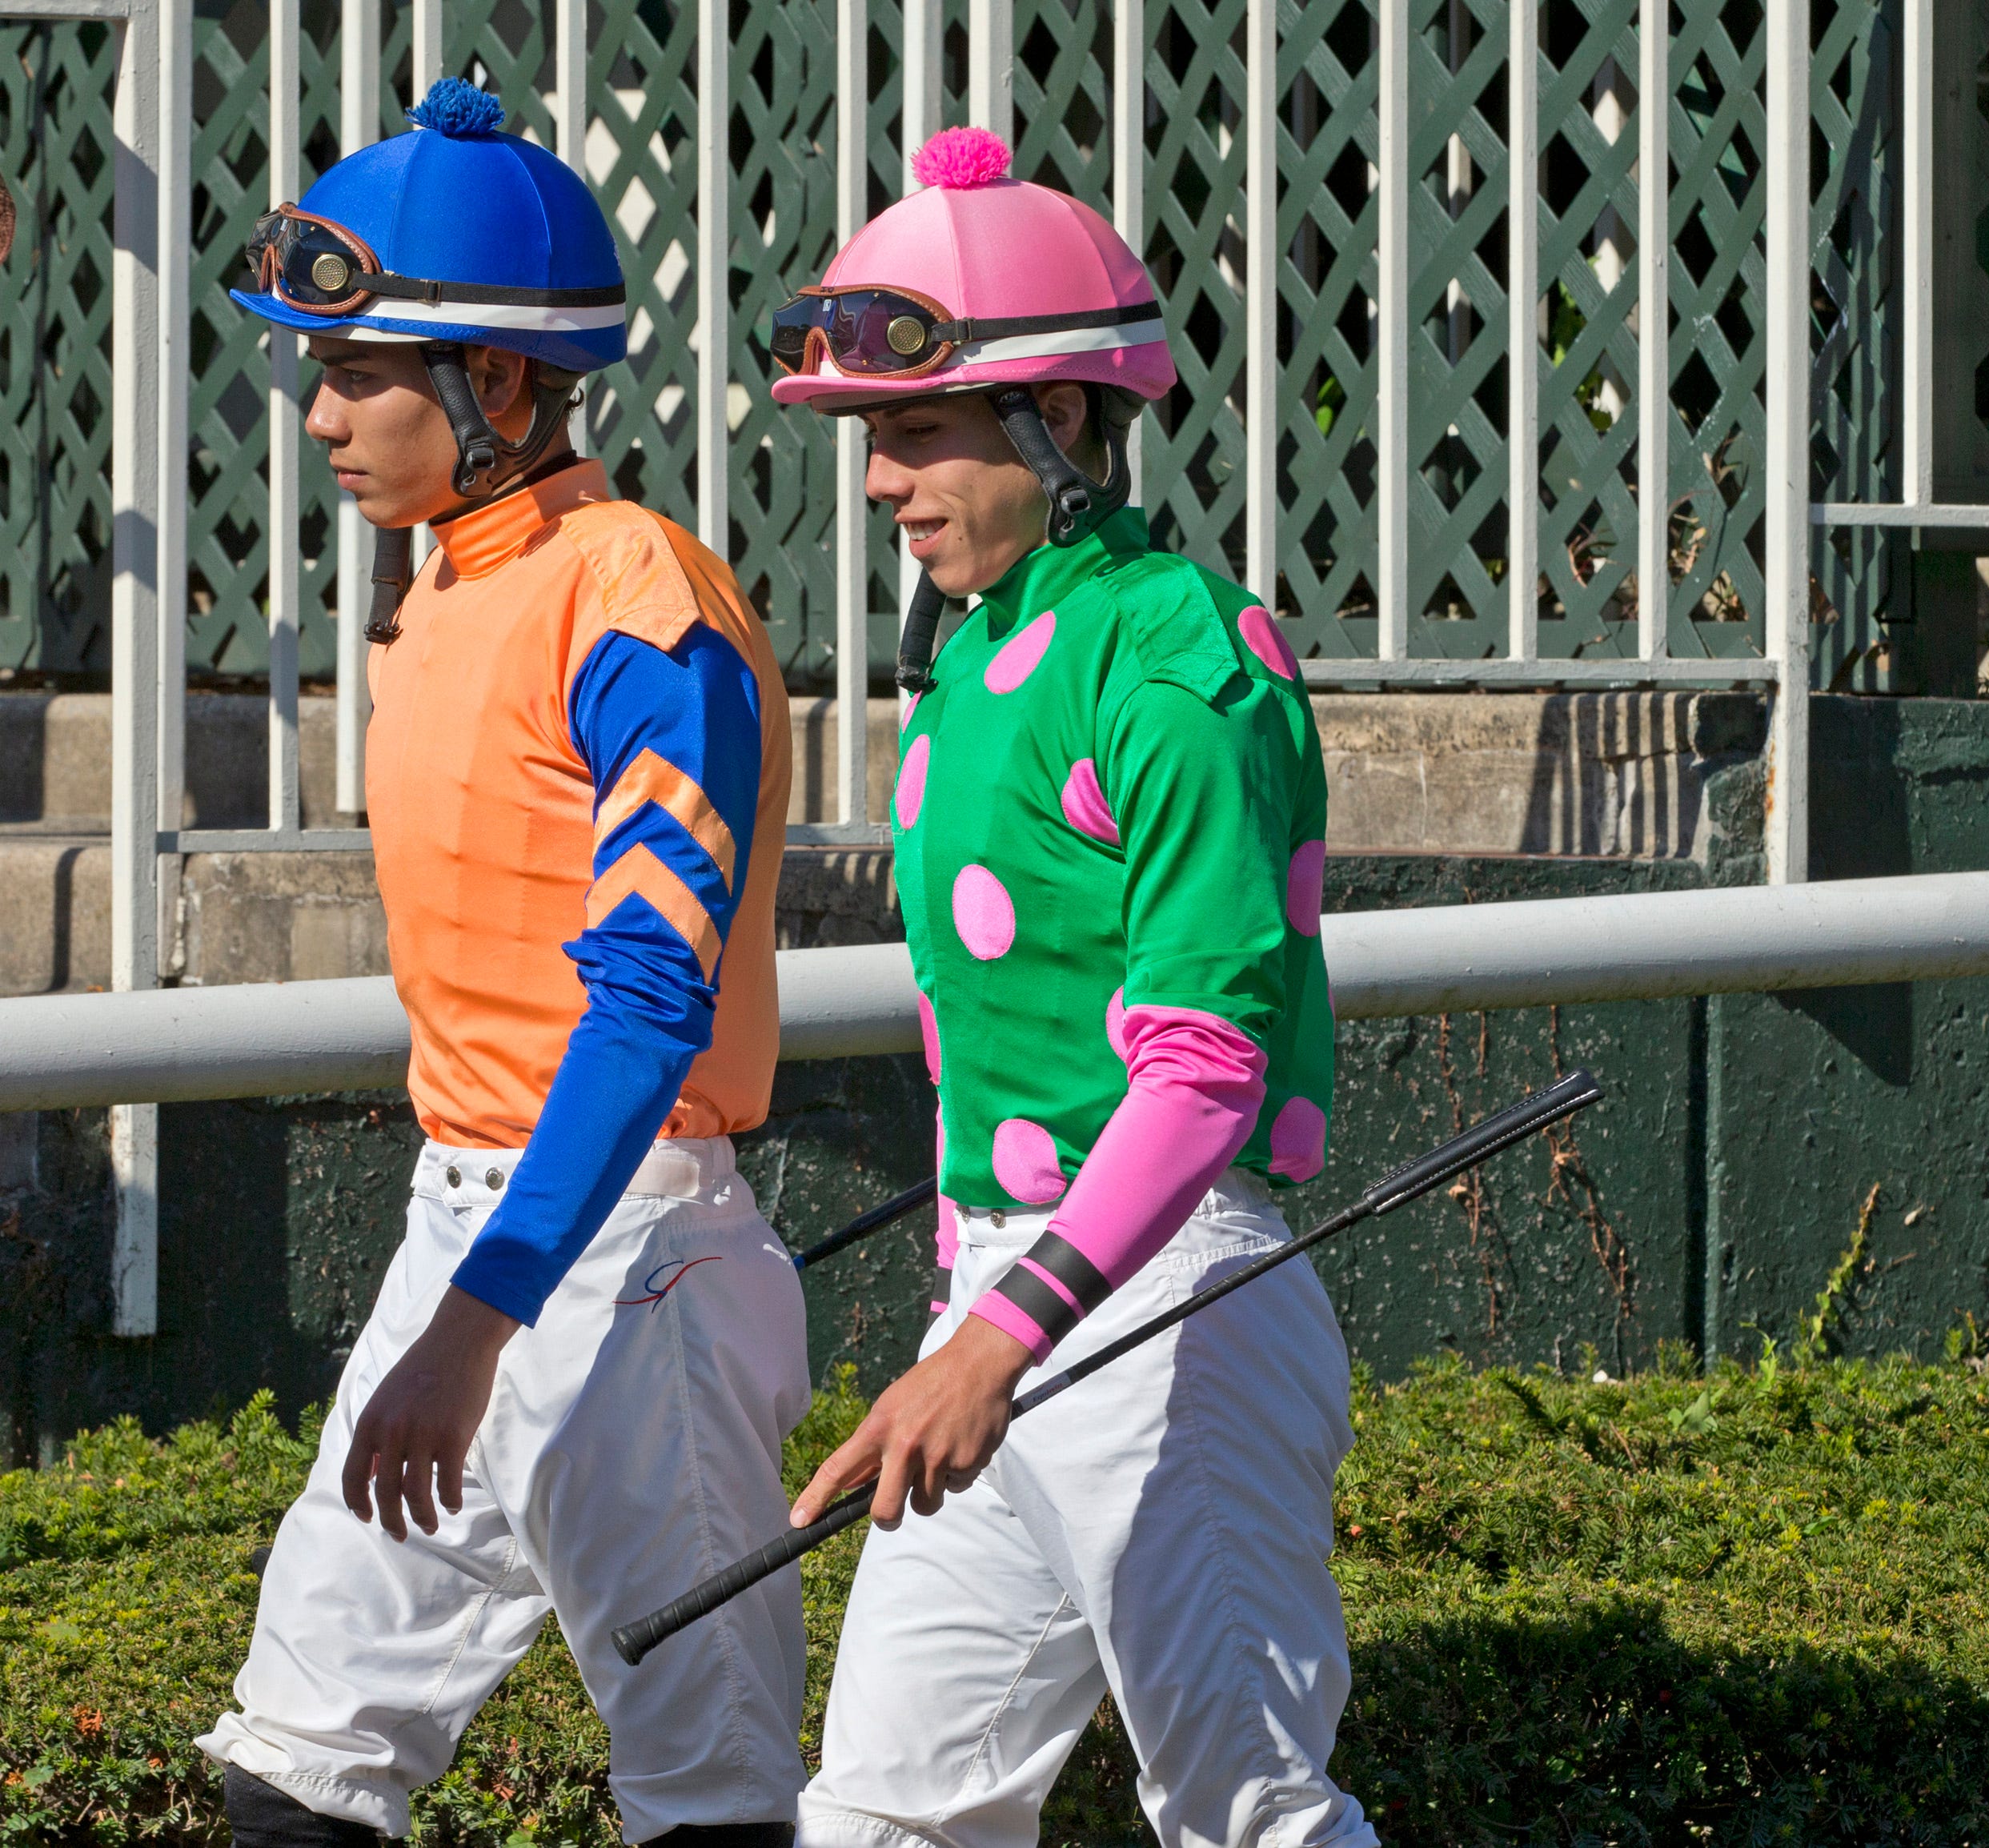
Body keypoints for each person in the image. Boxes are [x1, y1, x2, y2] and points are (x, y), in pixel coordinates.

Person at [198, 78, 806, 1848]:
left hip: (629, 1263)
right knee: (294, 1771)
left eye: (358, 374)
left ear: (502, 386)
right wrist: (462, 1294)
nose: (319, 419)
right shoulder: (445, 587)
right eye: (318, 371)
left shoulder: (641, 604)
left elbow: (649, 994)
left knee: (709, 1806)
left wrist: (483, 1319)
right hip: (466, 1224)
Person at [771, 126, 1377, 1848]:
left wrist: (1001, 1343)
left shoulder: (1182, 664)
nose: (882, 482)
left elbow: (1196, 1069)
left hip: (1167, 1312)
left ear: (1060, 421)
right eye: (874, 441)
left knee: (1246, 1819)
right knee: (880, 1820)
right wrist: (983, 1324)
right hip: (1003, 1298)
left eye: (918, 432)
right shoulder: (969, 653)